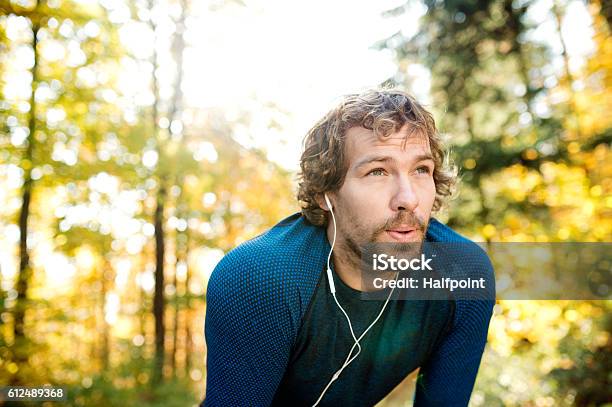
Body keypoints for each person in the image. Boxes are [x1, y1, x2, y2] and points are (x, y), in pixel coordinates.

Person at [202, 89, 495, 406]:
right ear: (326, 194)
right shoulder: (260, 278)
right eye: (377, 171)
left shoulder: (463, 276)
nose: (408, 199)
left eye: (421, 169)